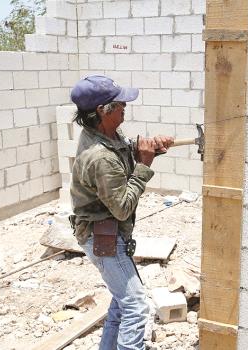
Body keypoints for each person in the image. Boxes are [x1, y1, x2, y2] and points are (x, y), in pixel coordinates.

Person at [68, 75, 174, 350]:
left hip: (108, 232)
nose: (125, 106)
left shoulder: (104, 135)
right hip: (103, 237)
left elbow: (124, 152)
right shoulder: (100, 157)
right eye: (120, 104)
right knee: (137, 307)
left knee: (121, 302)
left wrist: (149, 149)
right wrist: (145, 166)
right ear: (104, 111)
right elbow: (123, 206)